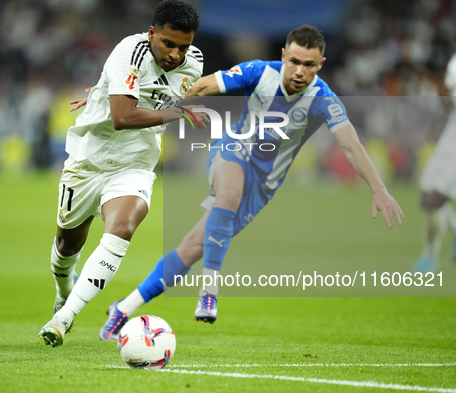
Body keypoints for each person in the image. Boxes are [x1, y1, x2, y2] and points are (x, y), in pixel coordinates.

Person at [86, 25, 404, 341]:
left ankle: (123, 309)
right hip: (232, 150)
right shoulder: (259, 72)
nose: (299, 71)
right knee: (228, 192)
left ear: (320, 65)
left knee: (193, 247)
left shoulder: (324, 100)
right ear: (283, 56)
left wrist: (379, 188)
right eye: (294, 61)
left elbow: (351, 145)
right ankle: (209, 291)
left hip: (263, 185)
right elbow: (202, 87)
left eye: (309, 65)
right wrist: (125, 98)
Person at [38, 0, 207, 348]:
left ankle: (63, 317)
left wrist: (104, 90)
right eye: (168, 43)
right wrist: (176, 114)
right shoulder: (129, 52)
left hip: (135, 162)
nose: (176, 54)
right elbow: (122, 117)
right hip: (88, 160)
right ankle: (63, 289)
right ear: (151, 33)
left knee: (122, 227)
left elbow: (166, 96)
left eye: (183, 46)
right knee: (67, 243)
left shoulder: (195, 63)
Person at [413, 50, 456, 273]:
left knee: (435, 199)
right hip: (452, 134)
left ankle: (430, 259)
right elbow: (450, 101)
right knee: (426, 195)